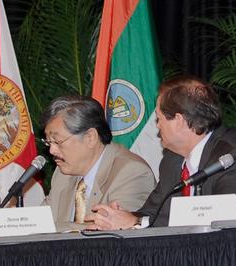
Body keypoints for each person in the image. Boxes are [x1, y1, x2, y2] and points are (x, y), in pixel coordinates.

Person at [91, 76, 236, 229]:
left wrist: (136, 222)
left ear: (178, 121)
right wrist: (120, 217)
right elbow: (153, 213)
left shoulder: (235, 156)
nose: (157, 126)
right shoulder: (173, 159)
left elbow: (225, 221)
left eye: (159, 118)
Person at [40, 95, 155, 230]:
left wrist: (44, 228)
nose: (52, 150)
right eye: (49, 142)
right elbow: (40, 219)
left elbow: (107, 230)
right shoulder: (63, 173)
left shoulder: (132, 173)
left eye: (58, 141)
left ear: (90, 137)